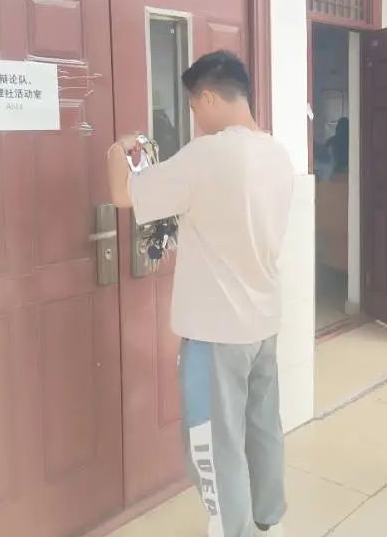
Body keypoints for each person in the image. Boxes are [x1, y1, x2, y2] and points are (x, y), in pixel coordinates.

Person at [106, 51, 294, 537]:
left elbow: (124, 194)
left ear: (208, 97)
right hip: (262, 323)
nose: (194, 118)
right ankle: (267, 518)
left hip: (216, 332)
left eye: (193, 106)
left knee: (214, 442)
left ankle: (233, 529)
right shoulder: (276, 152)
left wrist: (117, 151)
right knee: (261, 427)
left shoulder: (208, 154)